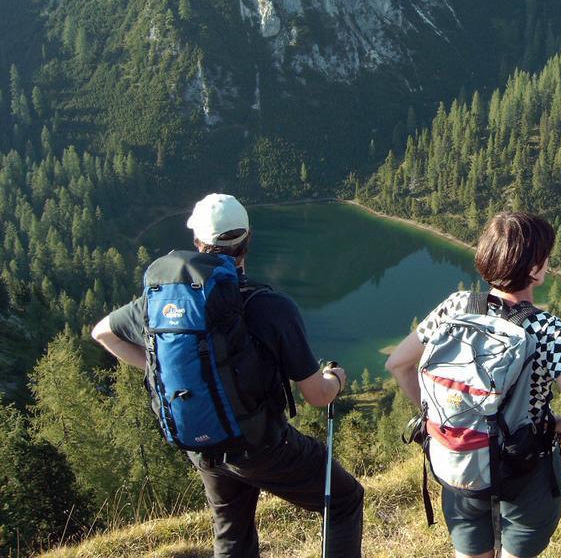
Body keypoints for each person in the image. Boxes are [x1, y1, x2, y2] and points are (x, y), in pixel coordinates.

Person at [91, 193, 364, 558]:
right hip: (261, 445)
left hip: (205, 446)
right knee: (345, 500)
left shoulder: (165, 303)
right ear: (246, 242)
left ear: (197, 244)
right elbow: (316, 395)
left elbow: (102, 333)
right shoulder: (271, 307)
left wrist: (164, 368)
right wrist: (337, 380)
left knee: (232, 535)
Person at [386, 211, 561, 558]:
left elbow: (397, 364)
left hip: (460, 463)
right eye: (545, 257)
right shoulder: (547, 330)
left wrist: (443, 418)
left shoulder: (456, 307)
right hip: (525, 470)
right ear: (534, 270)